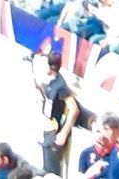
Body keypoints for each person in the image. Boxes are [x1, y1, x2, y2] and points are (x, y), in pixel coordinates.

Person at [40, 48, 80, 177]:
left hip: (55, 132)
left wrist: (63, 134)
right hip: (47, 128)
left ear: (52, 66)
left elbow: (74, 109)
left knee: (52, 171)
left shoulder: (60, 85)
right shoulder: (50, 81)